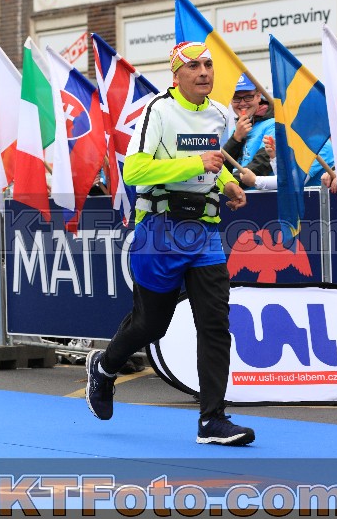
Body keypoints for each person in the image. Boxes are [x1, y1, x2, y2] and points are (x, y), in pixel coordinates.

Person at [85, 41, 255, 446]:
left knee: (215, 324)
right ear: (176, 75)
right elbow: (135, 169)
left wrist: (227, 183)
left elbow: (211, 167)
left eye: (208, 64)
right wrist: (196, 163)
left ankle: (212, 420)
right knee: (151, 324)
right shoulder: (158, 110)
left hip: (205, 232)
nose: (204, 71)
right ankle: (104, 368)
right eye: (193, 66)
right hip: (160, 230)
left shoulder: (219, 115)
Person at [222, 74, 276, 188]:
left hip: (261, 195)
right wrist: (236, 139)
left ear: (258, 96)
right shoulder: (236, 129)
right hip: (236, 194)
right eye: (236, 98)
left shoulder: (274, 124)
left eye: (248, 97)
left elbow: (262, 164)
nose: (242, 103)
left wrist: (227, 184)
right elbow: (223, 167)